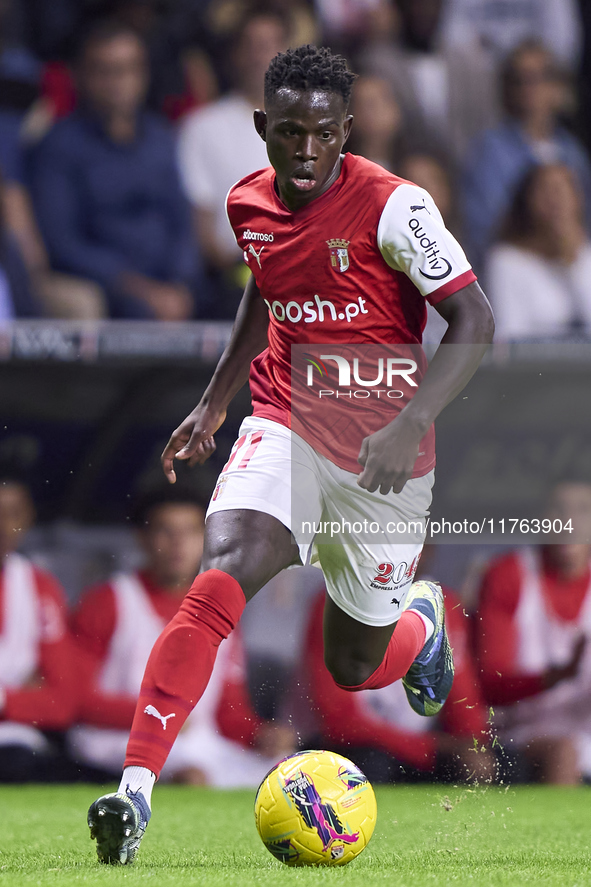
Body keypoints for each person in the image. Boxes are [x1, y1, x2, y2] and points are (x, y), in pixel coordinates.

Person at [87, 44, 494, 865]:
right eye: (288, 134)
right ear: (260, 127)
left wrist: (410, 423)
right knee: (221, 571)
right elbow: (263, 284)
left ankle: (418, 623)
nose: (305, 152)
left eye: (321, 134)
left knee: (353, 665)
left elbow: (474, 322)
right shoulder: (246, 204)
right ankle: (133, 790)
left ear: (346, 130)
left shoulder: (395, 207)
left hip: (385, 456)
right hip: (286, 421)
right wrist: (215, 399)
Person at [70, 487, 294, 785]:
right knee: (193, 777)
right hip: (114, 738)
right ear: (143, 538)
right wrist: (158, 714)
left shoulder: (222, 607)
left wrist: (260, 735)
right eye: (166, 531)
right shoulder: (108, 600)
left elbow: (228, 711)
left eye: (190, 531)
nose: (178, 544)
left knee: (289, 773)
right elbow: (76, 699)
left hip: (196, 744)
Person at [29, 20, 205, 320]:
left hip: (174, 285)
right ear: (81, 76)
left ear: (143, 75)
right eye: (104, 71)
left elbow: (182, 224)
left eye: (127, 70)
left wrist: (180, 284)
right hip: (107, 285)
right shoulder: (58, 146)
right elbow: (63, 243)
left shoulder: (162, 139)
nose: (117, 82)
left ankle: (304, 369)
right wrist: (137, 288)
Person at [303, 586, 491, 783]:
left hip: (422, 747)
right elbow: (340, 723)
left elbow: (462, 697)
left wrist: (473, 745)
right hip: (356, 748)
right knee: (372, 763)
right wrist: (432, 747)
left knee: (497, 762)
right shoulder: (337, 602)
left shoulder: (442, 604)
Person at [475, 480, 591, 784]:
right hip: (520, 733)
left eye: (581, 511)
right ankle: (562, 834)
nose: (569, 522)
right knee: (565, 752)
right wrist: (554, 677)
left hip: (585, 728)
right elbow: (491, 683)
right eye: (558, 510)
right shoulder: (509, 575)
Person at [178, 6, 289, 318]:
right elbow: (204, 234)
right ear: (235, 54)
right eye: (251, 45)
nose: (260, 56)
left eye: (269, 45)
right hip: (235, 280)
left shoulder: (313, 127)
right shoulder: (201, 126)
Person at [461, 40, 591, 273]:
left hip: (572, 271)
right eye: (518, 79)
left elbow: (585, 222)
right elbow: (484, 231)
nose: (527, 88)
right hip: (515, 272)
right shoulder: (489, 151)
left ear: (557, 87)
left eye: (537, 78)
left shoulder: (573, 151)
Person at [0, 473, 77, 781]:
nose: (3, 525)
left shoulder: (39, 586)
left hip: (14, 743)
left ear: (28, 518)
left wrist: (4, 701)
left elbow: (63, 702)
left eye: (13, 514)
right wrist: (20, 693)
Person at [359, 0, 499, 164]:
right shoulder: (376, 63)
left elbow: (485, 123)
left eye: (432, 4)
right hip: (404, 167)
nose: (423, 13)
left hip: (467, 167)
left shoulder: (469, 63)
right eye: (416, 5)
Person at [486, 163, 591, 341]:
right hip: (536, 368)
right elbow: (509, 338)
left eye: (563, 189)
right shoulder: (506, 260)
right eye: (546, 189)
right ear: (527, 201)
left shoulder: (586, 256)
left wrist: (573, 261)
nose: (556, 199)